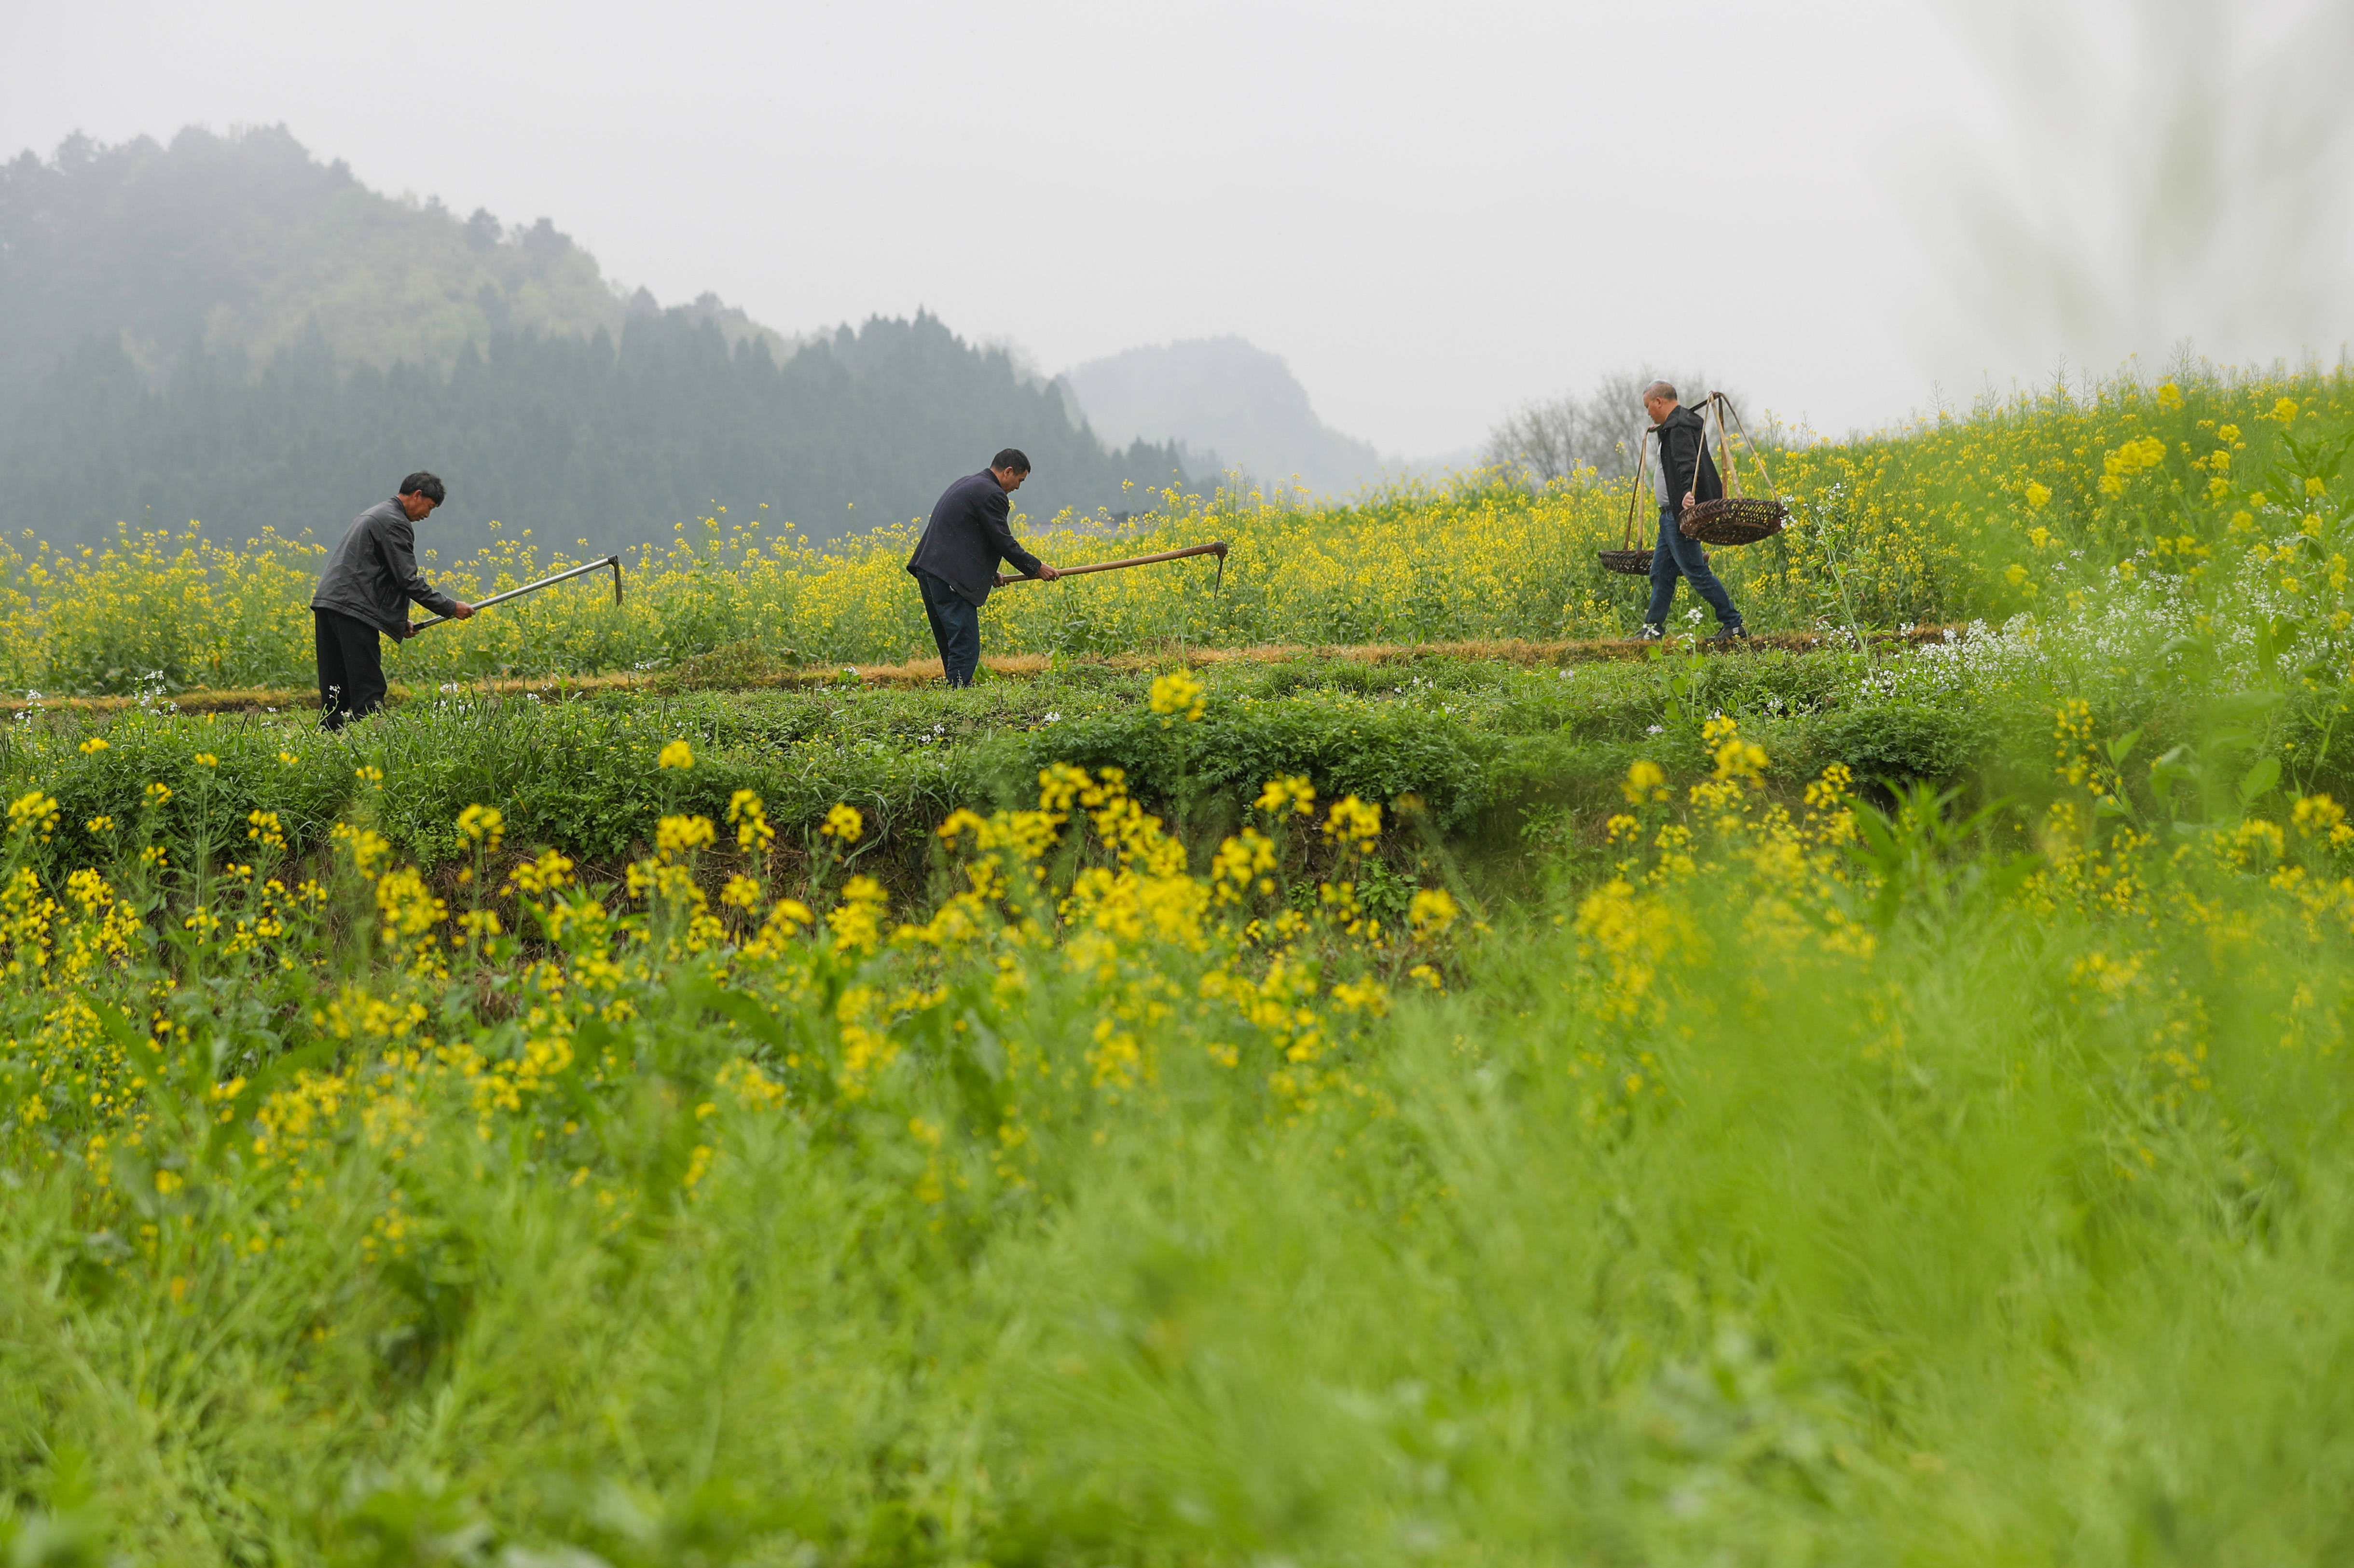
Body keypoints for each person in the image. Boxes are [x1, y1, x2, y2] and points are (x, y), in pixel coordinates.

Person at [309, 471, 477, 728]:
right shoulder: (395, 523)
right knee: (368, 686)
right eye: (429, 507)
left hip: (330, 603)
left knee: (335, 686)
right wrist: (451, 607)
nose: (427, 516)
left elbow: (370, 574)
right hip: (352, 609)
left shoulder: (376, 514)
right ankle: (370, 740)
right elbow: (408, 580)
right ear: (417, 495)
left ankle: (328, 742)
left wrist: (397, 620)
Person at [904, 448, 1060, 687]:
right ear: (1008, 472)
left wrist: (987, 573)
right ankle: (959, 697)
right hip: (948, 574)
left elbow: (966, 536)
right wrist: (1036, 567)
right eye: (1019, 480)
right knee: (965, 643)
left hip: (930, 569)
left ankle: (956, 693)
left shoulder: (969, 484)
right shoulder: (992, 494)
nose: (1018, 488)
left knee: (952, 642)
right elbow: (1003, 541)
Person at [1637, 382, 1747, 642]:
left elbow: (1689, 465)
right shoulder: (1674, 426)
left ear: (1659, 402)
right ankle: (1652, 631)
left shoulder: (1679, 428)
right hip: (1669, 516)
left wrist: (1689, 493)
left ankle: (1733, 624)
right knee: (1661, 574)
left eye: (1648, 407)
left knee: (1696, 572)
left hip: (1679, 516)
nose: (1648, 413)